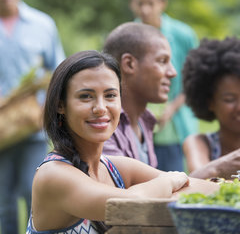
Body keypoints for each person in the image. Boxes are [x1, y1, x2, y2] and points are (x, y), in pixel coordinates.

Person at [26, 50, 218, 234]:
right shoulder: (53, 175)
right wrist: (170, 180)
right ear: (61, 105)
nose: (101, 108)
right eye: (86, 96)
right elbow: (129, 204)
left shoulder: (115, 168)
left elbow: (201, 190)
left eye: (110, 95)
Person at [0, 0, 65, 234]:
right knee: (2, 202)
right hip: (0, 131)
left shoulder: (42, 24)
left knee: (34, 193)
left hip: (32, 127)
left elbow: (58, 72)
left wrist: (46, 112)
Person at [129, 0, 199, 171]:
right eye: (140, 3)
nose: (145, 9)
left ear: (162, 3)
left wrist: (171, 108)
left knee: (173, 180)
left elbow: (193, 80)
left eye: (151, 3)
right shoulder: (126, 35)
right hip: (136, 124)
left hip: (173, 126)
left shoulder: (183, 34)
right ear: (131, 3)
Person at [102, 22, 176, 167]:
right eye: (162, 61)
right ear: (129, 64)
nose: (172, 72)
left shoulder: (144, 121)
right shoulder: (102, 124)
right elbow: (134, 185)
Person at [182, 37, 240, 180]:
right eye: (229, 99)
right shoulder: (200, 142)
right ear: (210, 103)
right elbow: (197, 179)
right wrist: (220, 167)